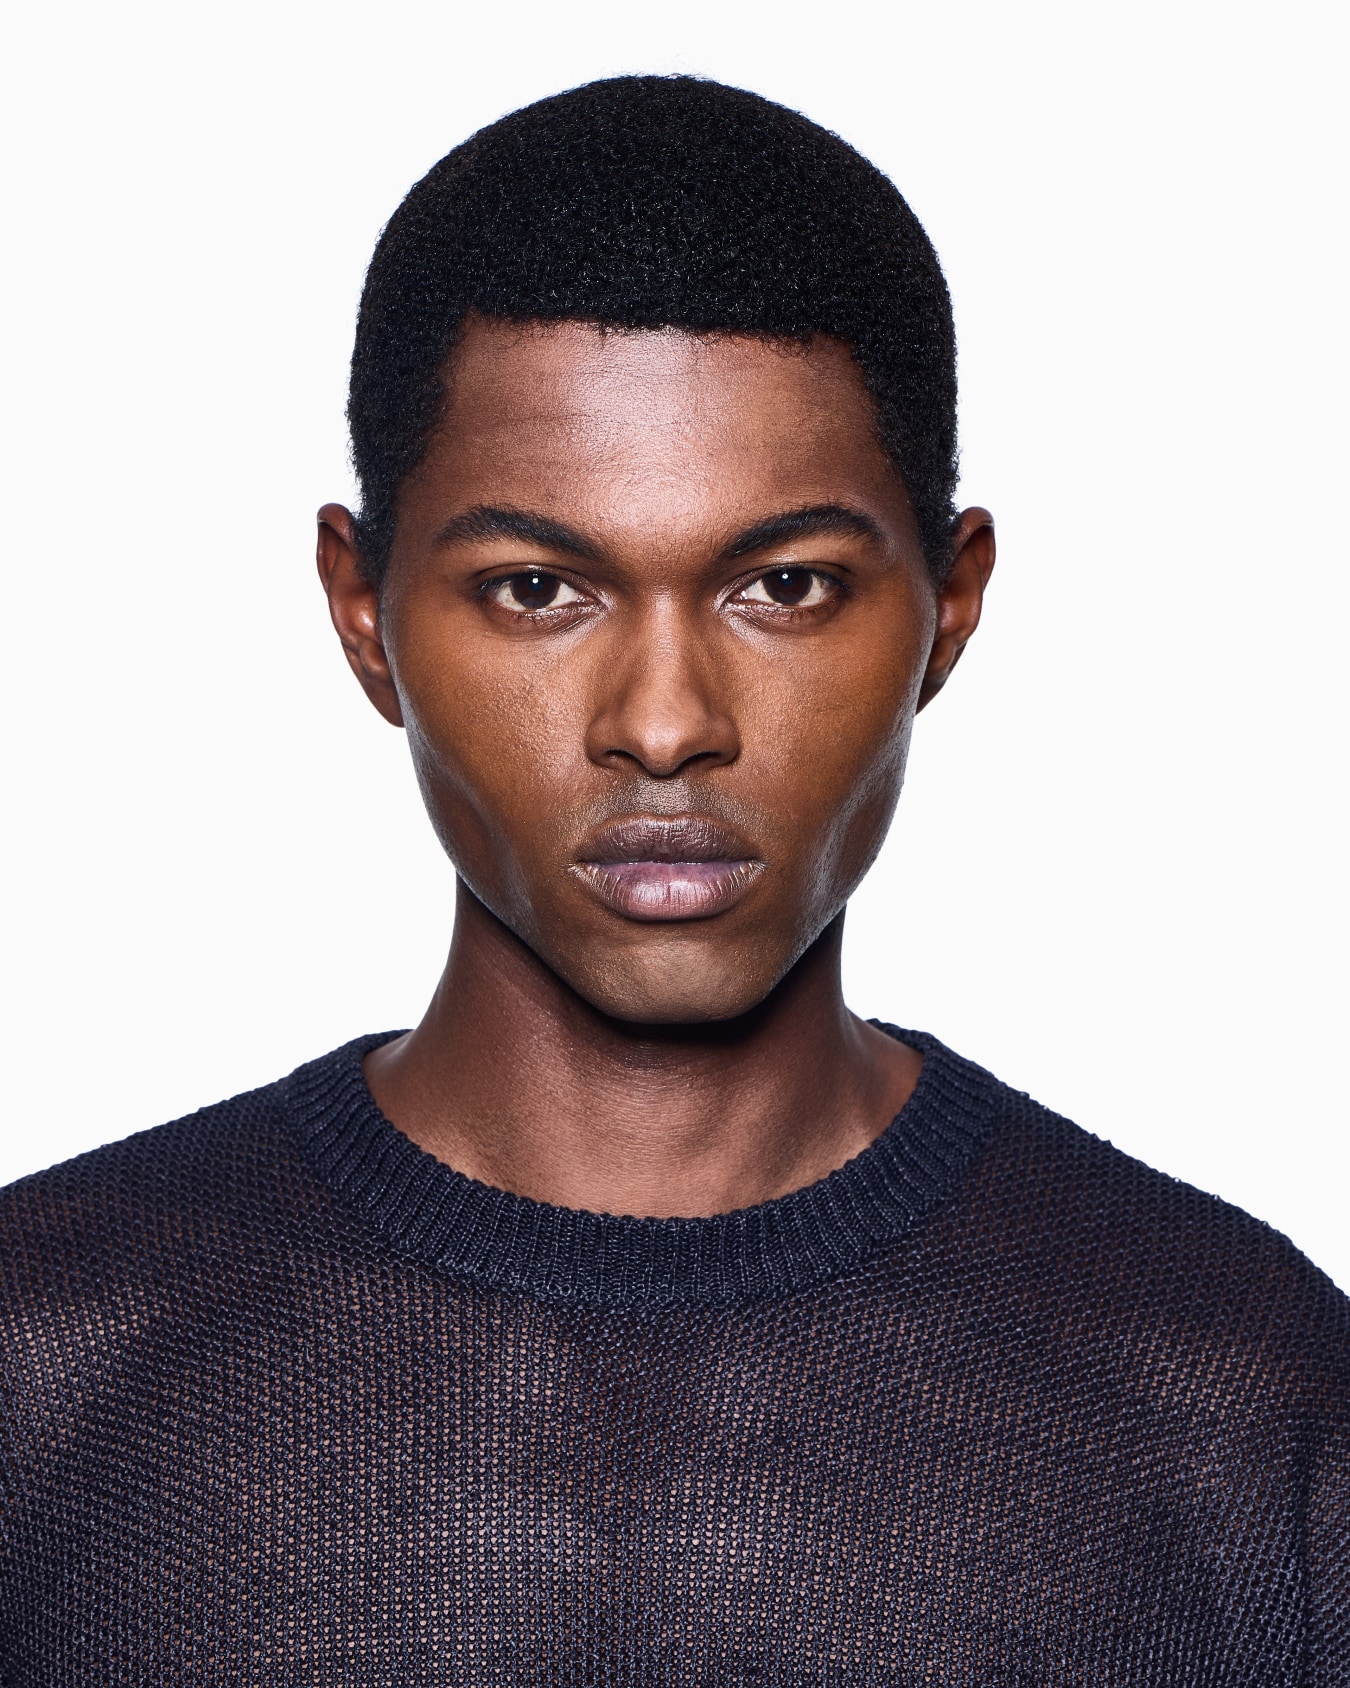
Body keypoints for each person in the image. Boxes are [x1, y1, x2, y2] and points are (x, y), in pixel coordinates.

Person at [0, 74, 1344, 1685]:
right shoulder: (42, 1365)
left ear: (948, 606)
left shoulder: (1239, 1398)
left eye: (785, 586)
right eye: (535, 588)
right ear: (363, 613)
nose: (661, 725)